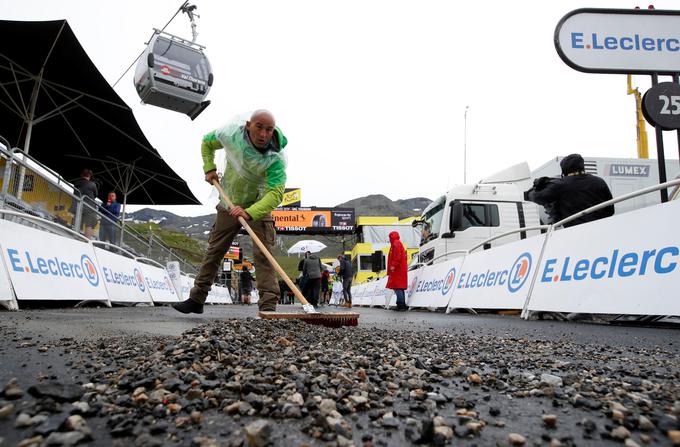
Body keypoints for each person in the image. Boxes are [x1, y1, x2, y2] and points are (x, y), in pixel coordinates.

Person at [173, 110, 287, 314]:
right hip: (228, 202)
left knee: (263, 254)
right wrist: (209, 167)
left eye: (268, 130)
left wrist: (249, 212)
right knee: (214, 251)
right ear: (248, 125)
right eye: (259, 127)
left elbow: (276, 194)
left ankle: (268, 306)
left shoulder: (276, 158)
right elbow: (207, 142)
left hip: (257, 207)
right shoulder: (231, 135)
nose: (263, 134)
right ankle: (196, 299)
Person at [524, 154, 614, 227]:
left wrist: (529, 194)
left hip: (576, 233)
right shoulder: (599, 181)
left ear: (564, 169)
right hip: (601, 229)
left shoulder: (561, 184)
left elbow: (540, 197)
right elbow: (610, 210)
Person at [72, 168, 98, 239]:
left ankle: (76, 237)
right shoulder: (92, 184)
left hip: (77, 206)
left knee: (78, 222)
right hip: (89, 207)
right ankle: (86, 241)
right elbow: (96, 195)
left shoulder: (76, 183)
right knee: (89, 224)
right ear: (89, 176)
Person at [386, 231, 408, 311]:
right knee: (399, 287)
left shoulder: (396, 244)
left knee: (397, 287)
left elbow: (397, 257)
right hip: (399, 269)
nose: (389, 239)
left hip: (397, 269)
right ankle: (401, 304)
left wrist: (393, 266)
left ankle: (401, 305)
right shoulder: (397, 243)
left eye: (390, 237)